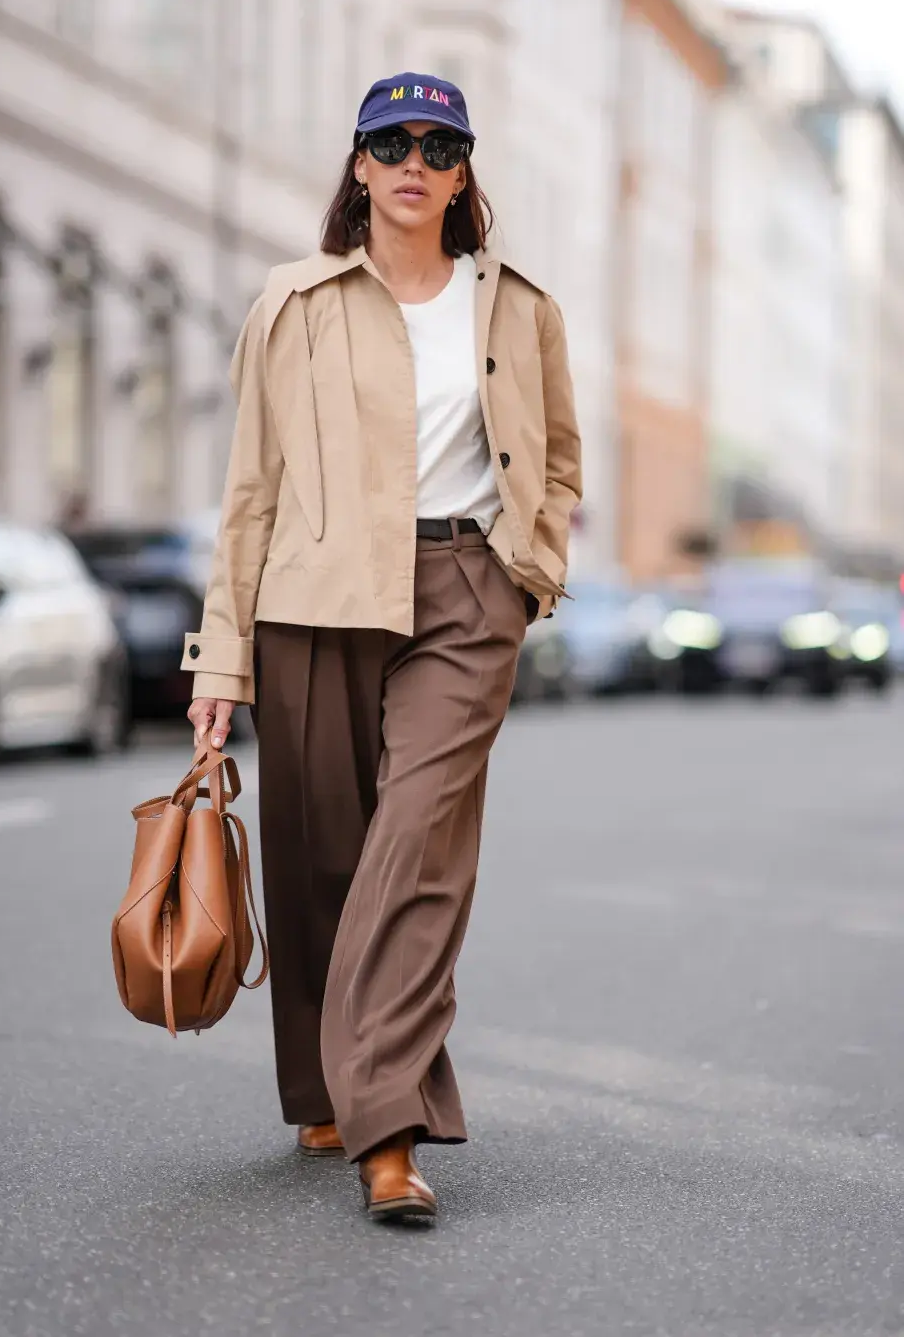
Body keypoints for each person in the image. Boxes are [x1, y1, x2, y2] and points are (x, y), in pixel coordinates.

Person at [185, 72, 581, 1222]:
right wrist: (221, 660)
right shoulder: (293, 303)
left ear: (463, 174)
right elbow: (249, 488)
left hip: (466, 588)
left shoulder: (518, 306)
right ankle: (321, 1085)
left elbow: (555, 458)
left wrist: (527, 574)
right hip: (315, 591)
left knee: (415, 848)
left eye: (439, 144)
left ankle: (387, 1126)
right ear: (358, 166)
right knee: (322, 852)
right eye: (390, 142)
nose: (415, 160)